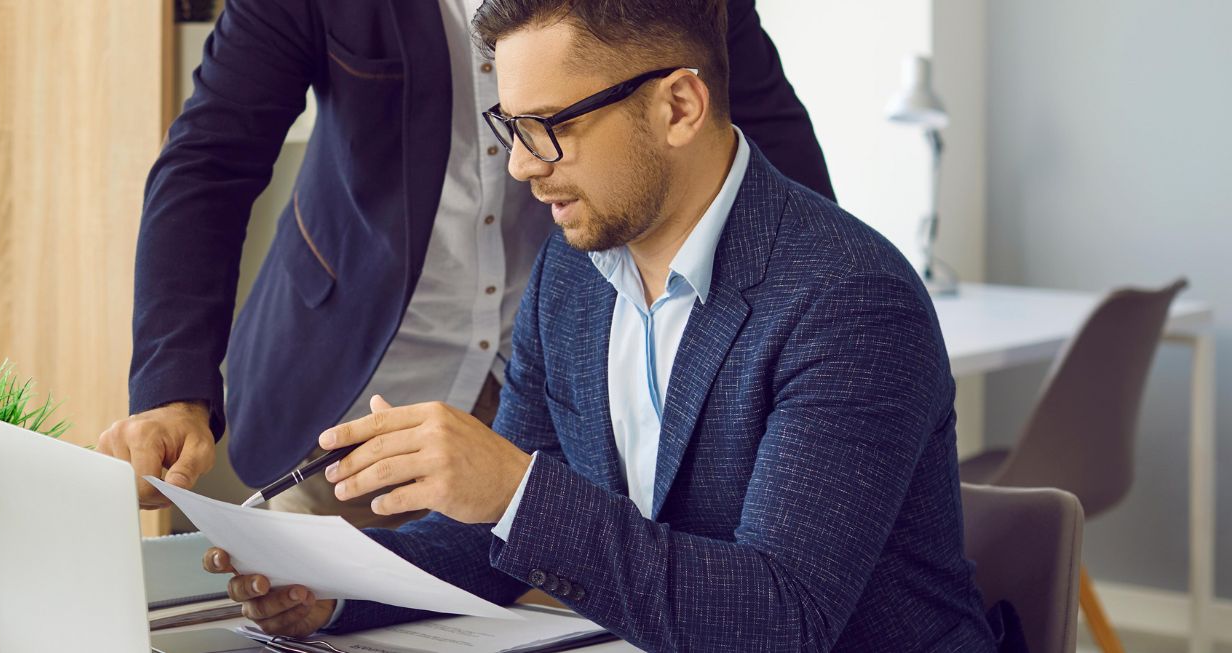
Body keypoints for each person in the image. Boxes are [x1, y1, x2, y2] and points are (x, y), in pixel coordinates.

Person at [202, 1, 1001, 649]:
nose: (520, 165)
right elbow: (486, 544)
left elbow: (778, 618)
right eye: (511, 126)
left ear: (679, 106)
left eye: (552, 125)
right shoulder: (574, 276)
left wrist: (515, 488)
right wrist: (332, 590)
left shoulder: (851, 301)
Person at [103, 0, 834, 527]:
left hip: (562, 413)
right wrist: (172, 387)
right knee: (298, 605)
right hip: (344, 415)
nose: (522, 162)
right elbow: (210, 162)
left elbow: (763, 140)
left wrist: (820, 333)